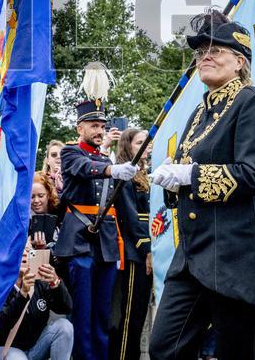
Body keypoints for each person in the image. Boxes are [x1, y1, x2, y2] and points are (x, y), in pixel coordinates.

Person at [147, 12, 255, 360]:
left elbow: (254, 174)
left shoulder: (253, 101)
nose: (205, 56)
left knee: (237, 353)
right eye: (201, 51)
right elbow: (184, 185)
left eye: (215, 50)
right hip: (192, 258)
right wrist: (171, 179)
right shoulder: (197, 113)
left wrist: (189, 175)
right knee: (164, 347)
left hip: (235, 257)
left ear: (239, 61)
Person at [56, 62, 137, 360]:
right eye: (94, 126)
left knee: (103, 316)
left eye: (102, 126)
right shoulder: (70, 152)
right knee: (82, 316)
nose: (100, 130)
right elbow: (82, 168)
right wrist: (112, 169)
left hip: (106, 244)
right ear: (80, 128)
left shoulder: (106, 160)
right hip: (79, 242)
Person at [109, 128, 152, 360]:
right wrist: (146, 248)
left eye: (147, 142)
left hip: (150, 248)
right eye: (139, 142)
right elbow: (131, 217)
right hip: (135, 251)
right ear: (127, 146)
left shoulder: (147, 173)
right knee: (130, 316)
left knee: (140, 314)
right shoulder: (124, 175)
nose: (146, 146)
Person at [0, 249, 74, 360]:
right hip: (5, 349)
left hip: (35, 348)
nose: (24, 253)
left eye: (28, 250)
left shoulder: (39, 282)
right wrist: (22, 294)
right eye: (20, 249)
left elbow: (66, 308)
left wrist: (55, 283)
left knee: (64, 327)